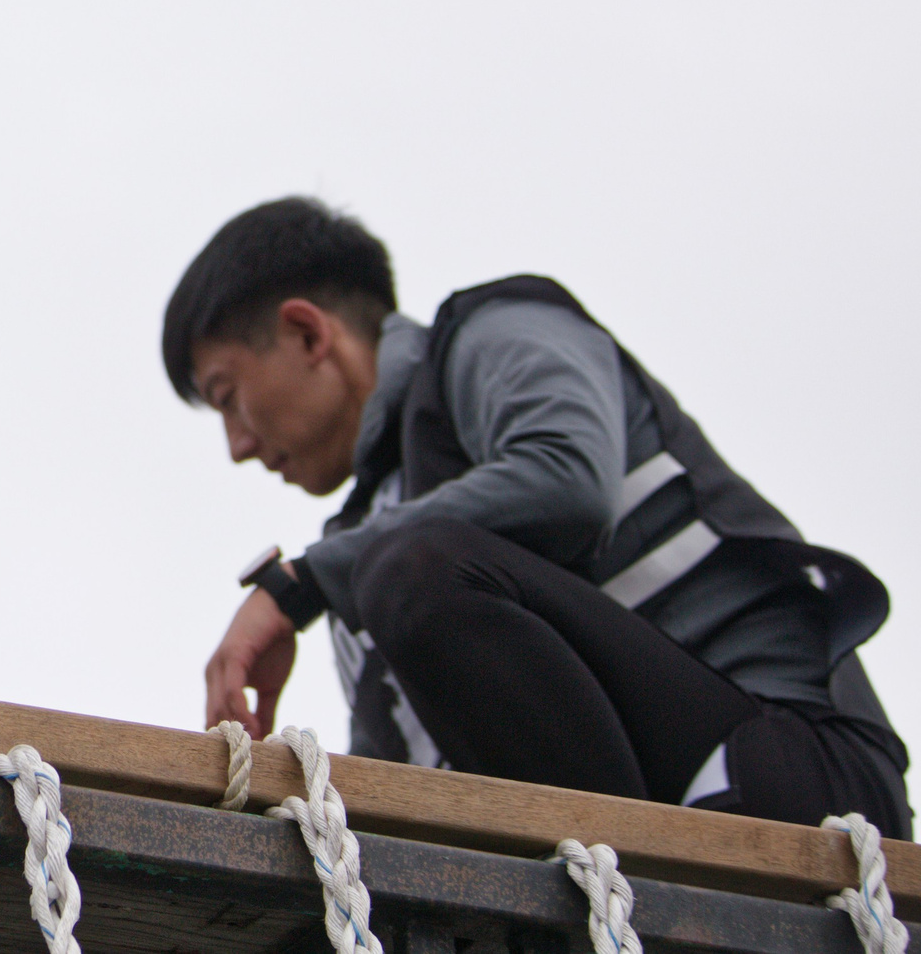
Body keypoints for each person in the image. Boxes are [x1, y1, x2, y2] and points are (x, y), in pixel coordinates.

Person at [163, 197, 909, 835]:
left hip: (787, 771)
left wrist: (301, 584)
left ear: (307, 332)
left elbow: (567, 479)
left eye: (228, 394)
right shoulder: (363, 543)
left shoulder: (496, 337)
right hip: (622, 834)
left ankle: (625, 893)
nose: (237, 446)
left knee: (412, 569)